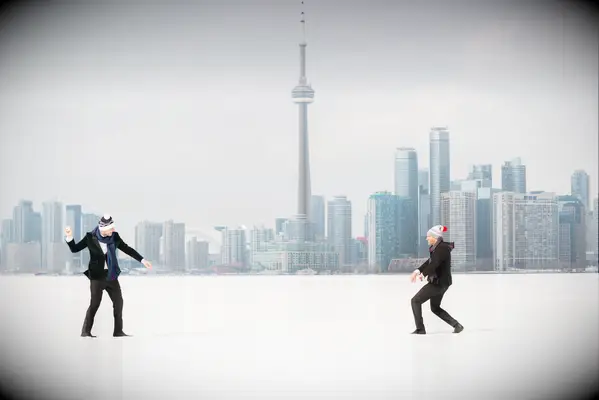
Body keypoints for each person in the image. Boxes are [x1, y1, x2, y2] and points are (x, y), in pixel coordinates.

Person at [65, 214, 152, 337]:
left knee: (119, 302)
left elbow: (128, 249)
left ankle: (118, 331)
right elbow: (75, 249)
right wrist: (69, 237)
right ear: (104, 229)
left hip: (111, 275)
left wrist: (143, 260)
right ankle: (85, 331)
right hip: (96, 277)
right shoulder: (90, 237)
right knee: (95, 304)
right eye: (111, 228)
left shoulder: (115, 237)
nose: (113, 230)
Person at [409, 225, 464, 335]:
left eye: (428, 236)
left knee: (415, 301)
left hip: (438, 284)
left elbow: (435, 263)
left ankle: (420, 329)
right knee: (435, 308)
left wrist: (424, 274)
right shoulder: (438, 248)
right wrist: (417, 271)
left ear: (434, 237)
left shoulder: (441, 248)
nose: (427, 238)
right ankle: (457, 325)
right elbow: (430, 262)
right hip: (441, 283)